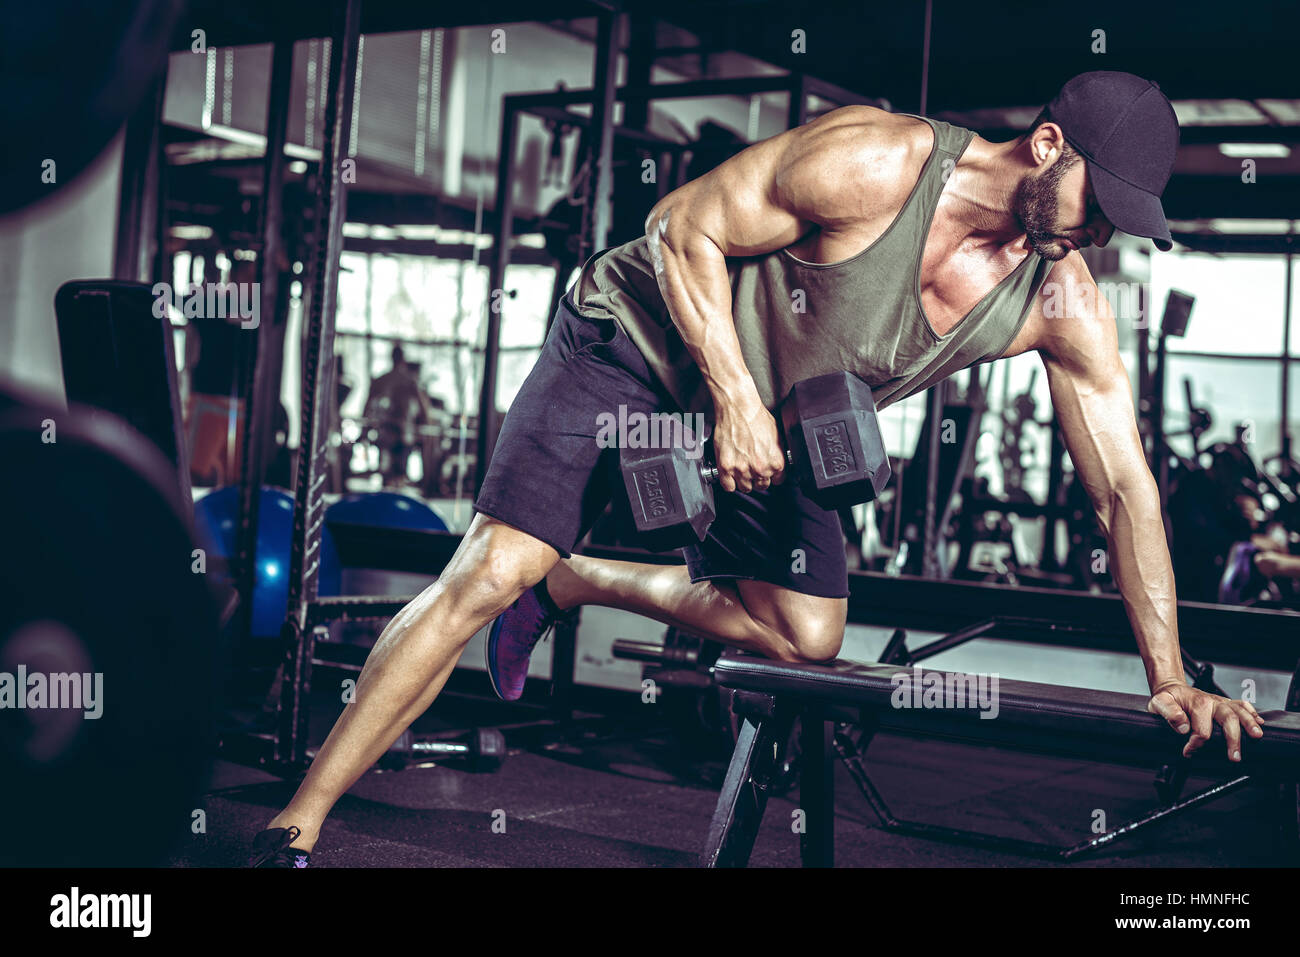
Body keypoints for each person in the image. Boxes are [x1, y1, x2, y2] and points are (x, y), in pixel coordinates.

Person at [249, 71, 1264, 867]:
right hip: (637, 339)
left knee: (804, 640)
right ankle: (298, 822)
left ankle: (576, 579)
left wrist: (1168, 678)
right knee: (489, 570)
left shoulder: (1060, 297)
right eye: (1097, 201)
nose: (1096, 232)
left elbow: (1123, 487)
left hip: (780, 414)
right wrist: (730, 396)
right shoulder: (876, 162)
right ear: (1047, 144)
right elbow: (679, 225)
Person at [362, 344, 434, 486]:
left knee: (389, 471)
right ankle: (394, 491)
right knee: (396, 473)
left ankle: (390, 494)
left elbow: (368, 403)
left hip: (390, 432)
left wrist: (365, 426)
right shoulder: (409, 380)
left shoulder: (385, 379)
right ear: (403, 359)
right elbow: (424, 406)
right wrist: (426, 423)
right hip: (400, 432)